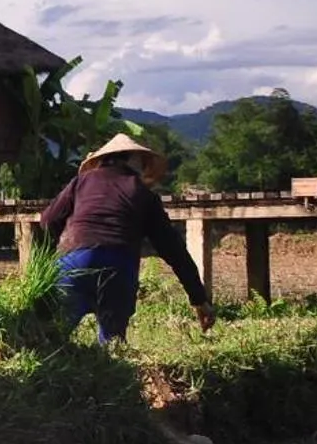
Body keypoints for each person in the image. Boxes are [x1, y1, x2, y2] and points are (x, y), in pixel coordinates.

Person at [42, 132, 215, 344]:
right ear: (131, 159)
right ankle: (110, 361)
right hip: (118, 266)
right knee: (113, 343)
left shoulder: (81, 182)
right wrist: (199, 299)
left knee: (53, 339)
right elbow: (174, 250)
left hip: (75, 261)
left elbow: (48, 220)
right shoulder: (143, 193)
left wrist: (52, 258)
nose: (143, 167)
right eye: (142, 161)